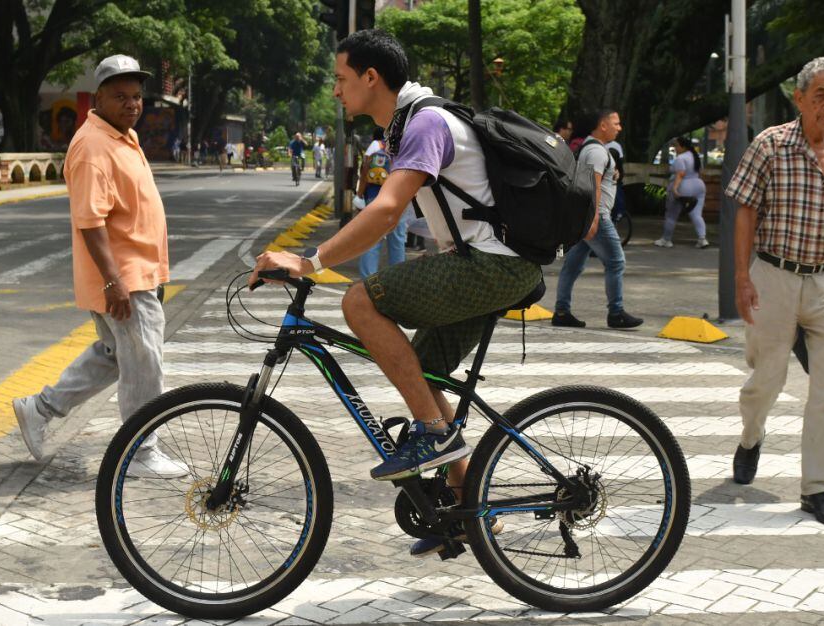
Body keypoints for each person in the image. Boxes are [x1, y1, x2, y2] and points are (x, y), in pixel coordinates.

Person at [252, 29, 537, 557]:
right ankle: (465, 510)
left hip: (494, 266)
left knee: (359, 301)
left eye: (341, 79)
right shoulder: (409, 123)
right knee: (423, 377)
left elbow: (385, 212)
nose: (336, 91)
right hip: (489, 262)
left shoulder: (425, 122)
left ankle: (435, 433)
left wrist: (308, 260)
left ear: (370, 77)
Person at [11, 55, 188, 478]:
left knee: (116, 356)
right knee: (144, 362)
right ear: (100, 98)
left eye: (137, 97)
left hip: (136, 273)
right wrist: (115, 281)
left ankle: (39, 408)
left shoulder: (120, 136)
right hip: (123, 279)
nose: (132, 104)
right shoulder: (93, 146)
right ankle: (141, 450)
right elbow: (90, 222)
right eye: (121, 97)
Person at [726, 57, 824, 529]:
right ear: (800, 97)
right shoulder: (770, 145)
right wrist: (742, 278)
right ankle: (751, 437)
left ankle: (817, 490)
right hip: (775, 276)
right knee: (767, 379)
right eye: (821, 95)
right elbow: (745, 211)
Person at [551, 109, 643, 330]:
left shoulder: (594, 150)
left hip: (588, 216)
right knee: (616, 261)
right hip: (597, 216)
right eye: (616, 123)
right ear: (603, 125)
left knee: (572, 265)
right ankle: (616, 313)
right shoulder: (596, 152)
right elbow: (593, 186)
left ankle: (562, 311)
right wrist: (593, 220)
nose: (619, 128)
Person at [356, 127, 408, 278]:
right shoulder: (404, 145)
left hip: (375, 196)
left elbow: (365, 169)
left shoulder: (376, 145)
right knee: (397, 240)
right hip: (399, 197)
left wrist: (359, 194)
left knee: (371, 240)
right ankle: (397, 279)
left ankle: (367, 280)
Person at [655, 136, 709, 248]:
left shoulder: (681, 159)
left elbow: (680, 174)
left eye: (676, 145)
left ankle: (666, 239)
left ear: (683, 146)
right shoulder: (696, 157)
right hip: (699, 185)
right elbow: (701, 172)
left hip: (683, 186)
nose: (675, 148)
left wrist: (675, 188)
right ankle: (702, 238)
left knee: (671, 215)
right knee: (696, 214)